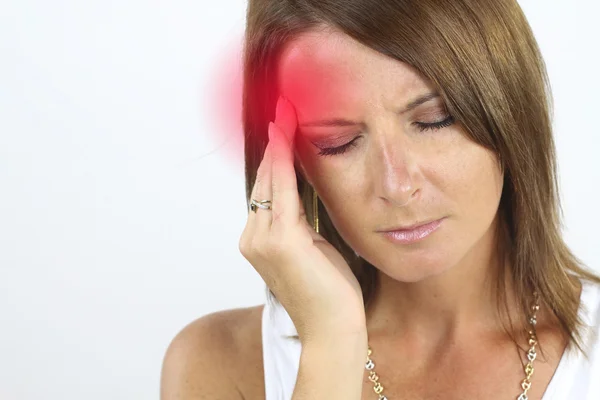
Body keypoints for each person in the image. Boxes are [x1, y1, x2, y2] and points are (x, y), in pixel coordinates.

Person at [160, 0, 600, 399]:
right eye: (338, 142)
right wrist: (332, 345)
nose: (396, 185)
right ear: (292, 164)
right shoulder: (220, 366)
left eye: (433, 120)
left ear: (509, 110)